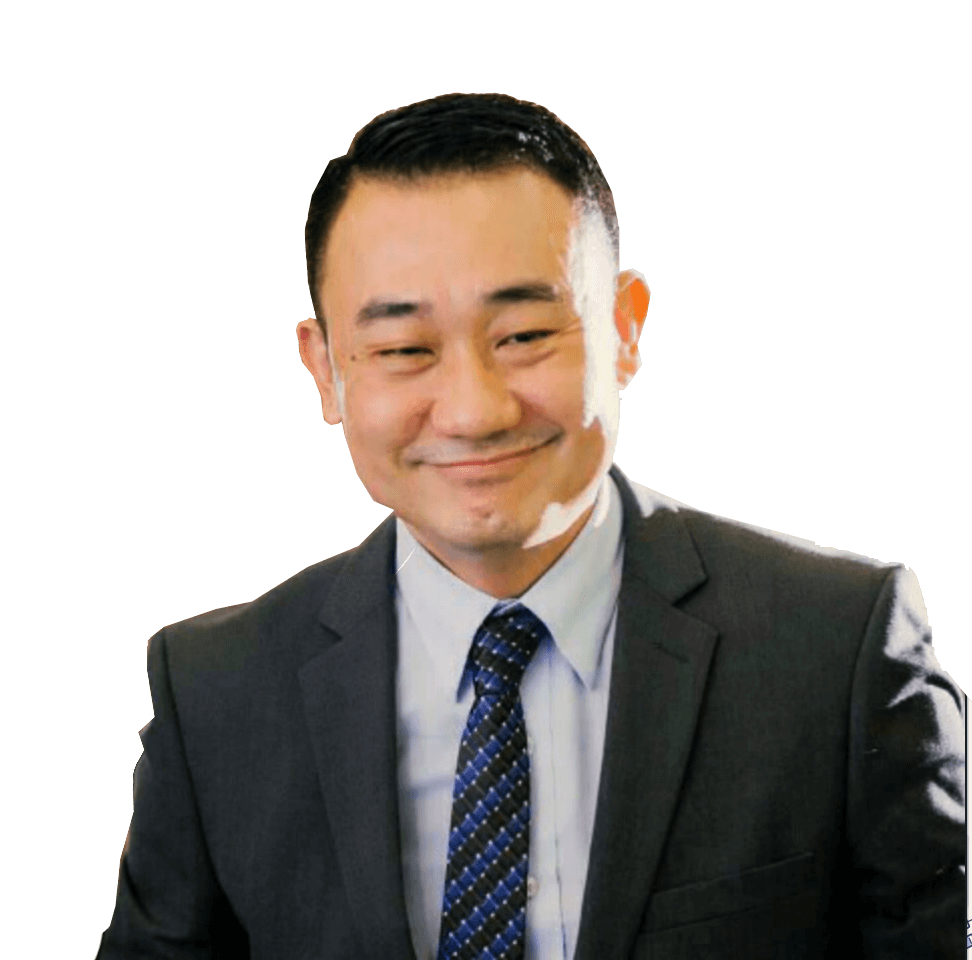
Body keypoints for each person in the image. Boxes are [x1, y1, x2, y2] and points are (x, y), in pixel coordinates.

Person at [96, 93, 965, 959]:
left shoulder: (839, 649)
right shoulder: (215, 693)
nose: (474, 412)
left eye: (523, 335)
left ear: (623, 330)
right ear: (326, 371)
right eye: (403, 350)